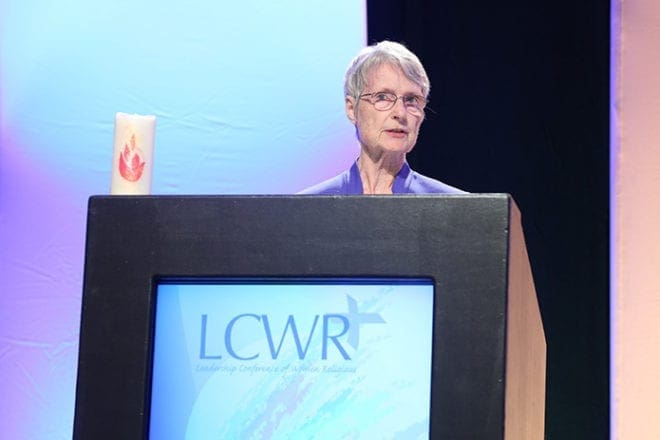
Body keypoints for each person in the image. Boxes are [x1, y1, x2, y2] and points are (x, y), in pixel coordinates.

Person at [300, 40, 464, 195]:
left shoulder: (457, 209)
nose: (400, 113)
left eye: (411, 100)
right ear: (352, 109)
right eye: (382, 97)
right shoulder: (304, 210)